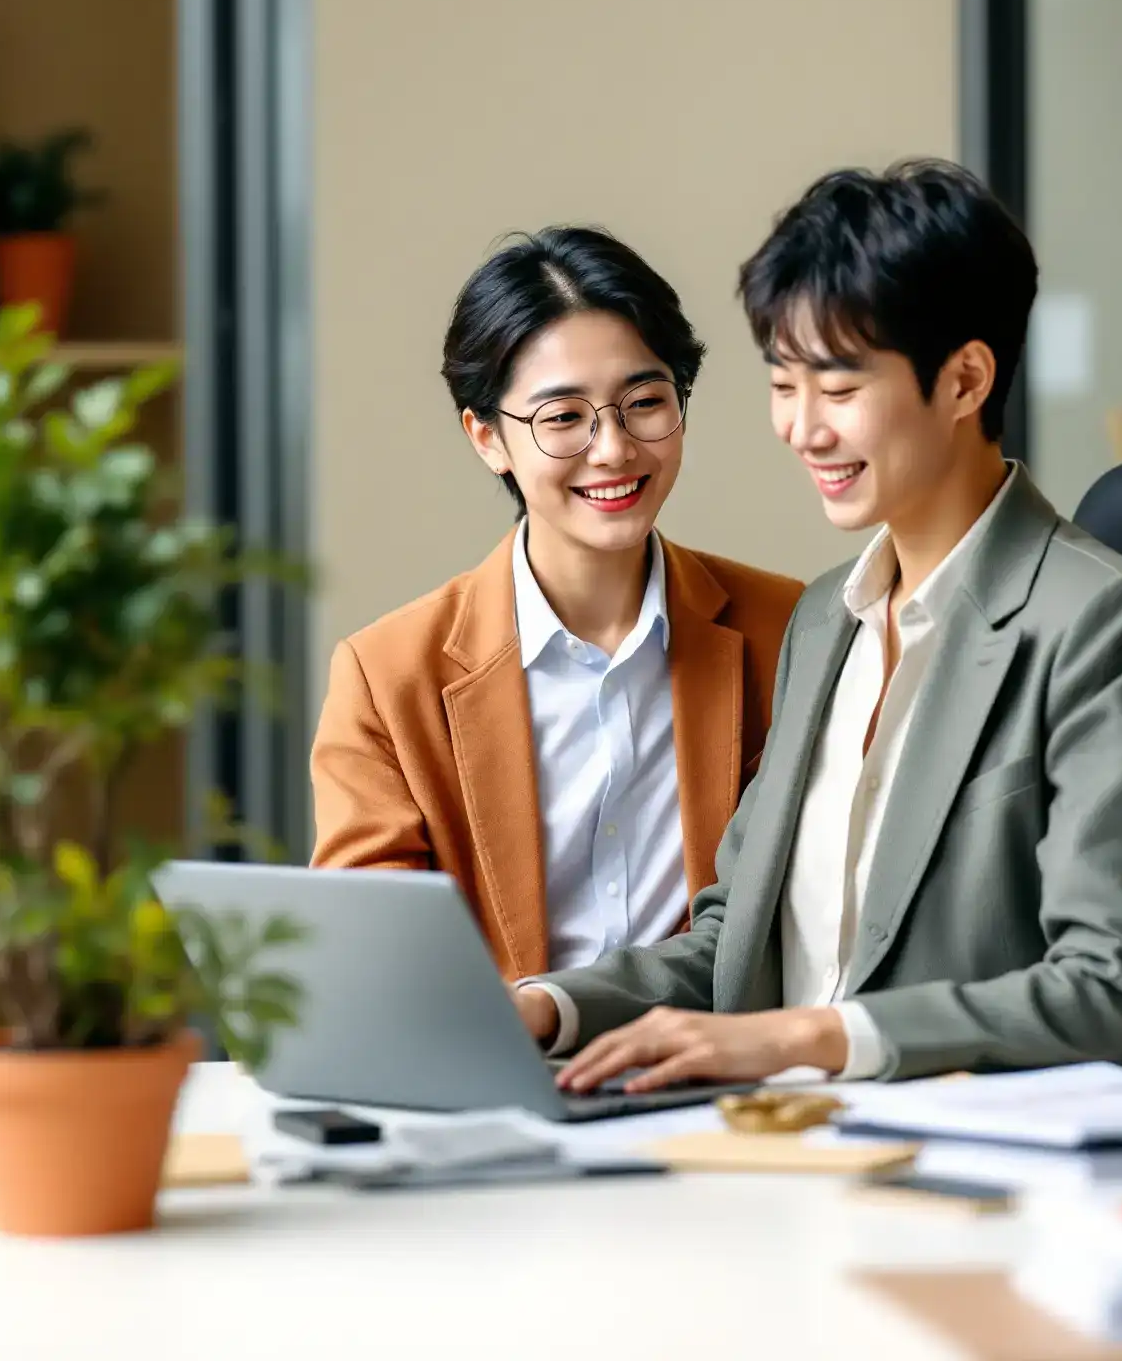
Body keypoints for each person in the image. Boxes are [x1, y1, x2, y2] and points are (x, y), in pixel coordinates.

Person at [514, 159, 1122, 1085]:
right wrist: (547, 1005)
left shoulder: (1105, 623)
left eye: (838, 391)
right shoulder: (824, 618)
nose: (802, 429)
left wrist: (809, 1038)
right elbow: (738, 939)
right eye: (783, 384)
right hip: (799, 1134)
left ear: (964, 381)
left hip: (989, 1144)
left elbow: (1115, 988)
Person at [311, 227, 805, 982]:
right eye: (564, 417)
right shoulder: (386, 677)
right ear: (487, 438)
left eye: (645, 402)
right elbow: (377, 958)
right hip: (496, 1049)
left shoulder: (787, 629)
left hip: (716, 1046)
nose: (613, 449)